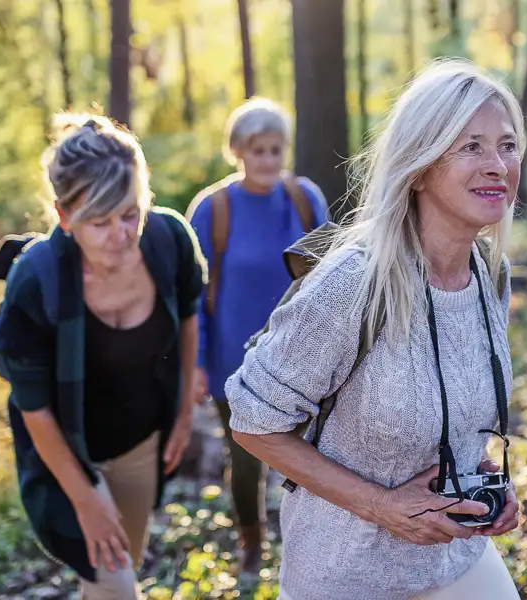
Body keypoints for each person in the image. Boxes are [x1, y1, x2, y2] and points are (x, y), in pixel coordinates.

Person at [224, 59, 525, 600]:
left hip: (454, 555)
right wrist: (383, 507)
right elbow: (251, 419)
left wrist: (484, 479)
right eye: (470, 146)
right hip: (348, 574)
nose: (497, 165)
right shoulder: (355, 282)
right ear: (420, 166)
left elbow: (450, 405)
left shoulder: (489, 273)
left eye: (506, 145)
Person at [0, 114, 206, 599]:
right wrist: (85, 497)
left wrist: (183, 412)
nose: (121, 234)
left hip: (139, 441)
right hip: (66, 452)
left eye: (130, 213)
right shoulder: (35, 282)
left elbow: (190, 313)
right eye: (100, 221)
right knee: (118, 586)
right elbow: (33, 407)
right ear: (65, 219)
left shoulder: (169, 239)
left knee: (118, 567)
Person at [186, 97, 330, 578]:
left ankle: (306, 549)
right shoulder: (213, 209)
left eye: (275, 149)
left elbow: (334, 277)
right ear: (238, 152)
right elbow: (194, 295)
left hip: (302, 356)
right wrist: (198, 363)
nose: (268, 160)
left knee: (310, 459)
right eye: (258, 151)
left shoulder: (305, 199)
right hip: (235, 361)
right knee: (247, 458)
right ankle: (251, 542)